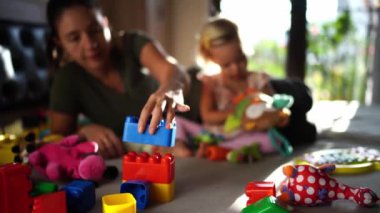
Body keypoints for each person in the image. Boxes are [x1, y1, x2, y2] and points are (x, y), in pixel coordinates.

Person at [46, 0, 190, 159]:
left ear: (106, 23)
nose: (90, 44)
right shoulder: (67, 80)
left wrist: (170, 88)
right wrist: (83, 132)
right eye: (74, 38)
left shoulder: (132, 43)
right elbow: (58, 136)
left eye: (95, 30)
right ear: (59, 42)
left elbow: (177, 72)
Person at [174, 18, 317, 157]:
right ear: (211, 59)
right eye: (227, 65)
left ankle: (220, 149)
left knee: (270, 141)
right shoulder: (211, 82)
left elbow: (270, 107)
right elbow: (208, 116)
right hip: (213, 134)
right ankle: (182, 145)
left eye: (240, 59)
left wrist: (274, 116)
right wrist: (237, 112)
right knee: (177, 122)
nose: (236, 69)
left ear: (243, 47)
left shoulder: (259, 79)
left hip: (246, 134)